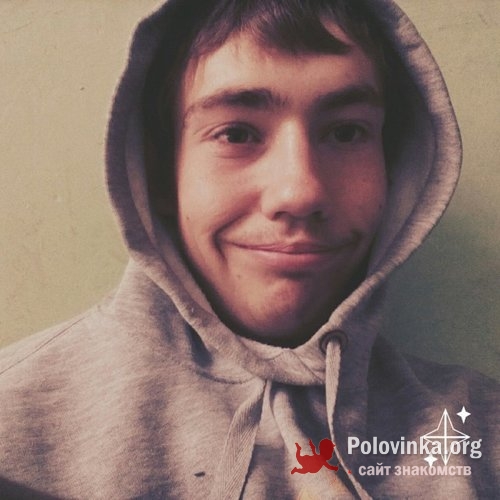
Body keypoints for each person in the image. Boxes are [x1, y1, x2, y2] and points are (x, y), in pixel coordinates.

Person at [0, 0, 498, 498]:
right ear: (159, 175)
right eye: (236, 134)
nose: (299, 192)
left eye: (346, 132)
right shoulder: (12, 426)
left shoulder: (482, 434)